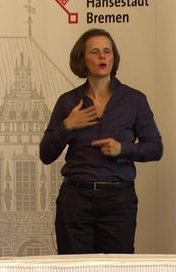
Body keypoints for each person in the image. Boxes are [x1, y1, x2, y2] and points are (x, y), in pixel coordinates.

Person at [39, 28, 163, 254]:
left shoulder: (134, 100)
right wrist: (68, 125)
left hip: (118, 200)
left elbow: (155, 148)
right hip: (76, 200)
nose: (102, 56)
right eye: (95, 52)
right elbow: (46, 154)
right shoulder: (68, 102)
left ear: (114, 58)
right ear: (82, 59)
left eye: (107, 51)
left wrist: (122, 149)